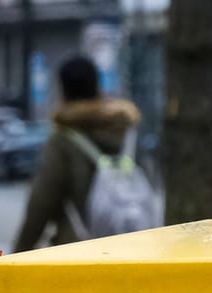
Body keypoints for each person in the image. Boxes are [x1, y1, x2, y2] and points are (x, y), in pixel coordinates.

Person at [13, 56, 142, 251]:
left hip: (78, 253)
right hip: (130, 248)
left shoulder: (64, 140)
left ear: (63, 91)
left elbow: (41, 205)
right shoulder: (126, 131)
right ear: (98, 87)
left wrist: (15, 257)